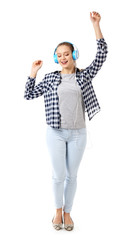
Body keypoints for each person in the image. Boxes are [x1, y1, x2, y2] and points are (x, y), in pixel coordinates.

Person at [24, 11, 108, 231]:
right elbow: (28, 94)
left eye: (66, 53)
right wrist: (33, 72)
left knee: (72, 175)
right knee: (58, 175)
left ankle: (68, 213)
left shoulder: (84, 76)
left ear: (74, 54)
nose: (62, 57)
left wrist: (96, 25)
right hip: (55, 133)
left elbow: (102, 55)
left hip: (78, 133)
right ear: (55, 58)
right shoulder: (51, 78)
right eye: (59, 54)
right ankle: (57, 211)